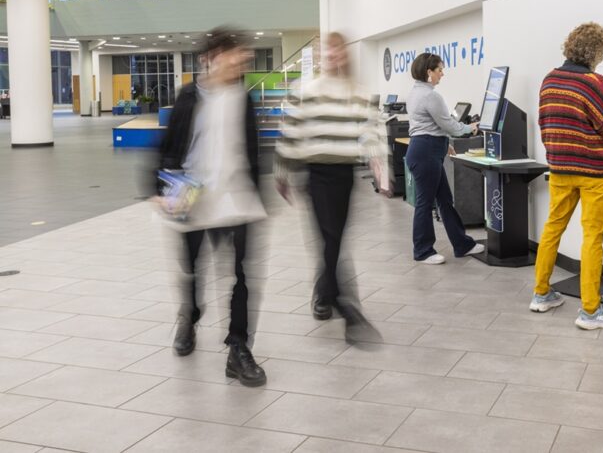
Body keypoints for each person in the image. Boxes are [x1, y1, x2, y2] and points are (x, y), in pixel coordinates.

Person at [155, 28, 267, 386]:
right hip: (193, 198)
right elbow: (168, 146)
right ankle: (189, 316)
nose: (241, 63)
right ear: (212, 57)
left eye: (243, 58)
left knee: (242, 275)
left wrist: (260, 194)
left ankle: (238, 348)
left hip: (236, 197)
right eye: (235, 56)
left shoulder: (243, 98)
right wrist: (159, 190)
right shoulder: (188, 96)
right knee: (191, 268)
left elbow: (252, 150)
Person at [530, 22, 603, 330]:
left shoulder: (550, 79)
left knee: (552, 228)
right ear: (594, 52)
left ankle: (541, 294)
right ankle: (590, 311)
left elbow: (545, 122)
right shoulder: (594, 83)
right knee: (592, 237)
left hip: (559, 168)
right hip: (594, 172)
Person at [275, 32, 385, 343]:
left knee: (333, 239)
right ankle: (345, 305)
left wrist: (379, 165)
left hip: (344, 174)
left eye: (337, 50)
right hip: (315, 173)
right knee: (331, 238)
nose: (332, 55)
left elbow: (371, 129)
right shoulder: (304, 90)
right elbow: (290, 132)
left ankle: (323, 293)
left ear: (344, 54)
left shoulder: (358, 92)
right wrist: (282, 173)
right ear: (319, 55)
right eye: (326, 50)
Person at [405, 52, 484, 264]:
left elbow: (427, 124)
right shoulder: (431, 96)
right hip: (426, 152)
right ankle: (423, 251)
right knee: (425, 203)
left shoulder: (415, 92)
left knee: (445, 200)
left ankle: (462, 244)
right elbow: (449, 125)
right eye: (439, 70)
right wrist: (470, 128)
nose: (442, 74)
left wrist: (443, 143)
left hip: (425, 148)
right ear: (428, 72)